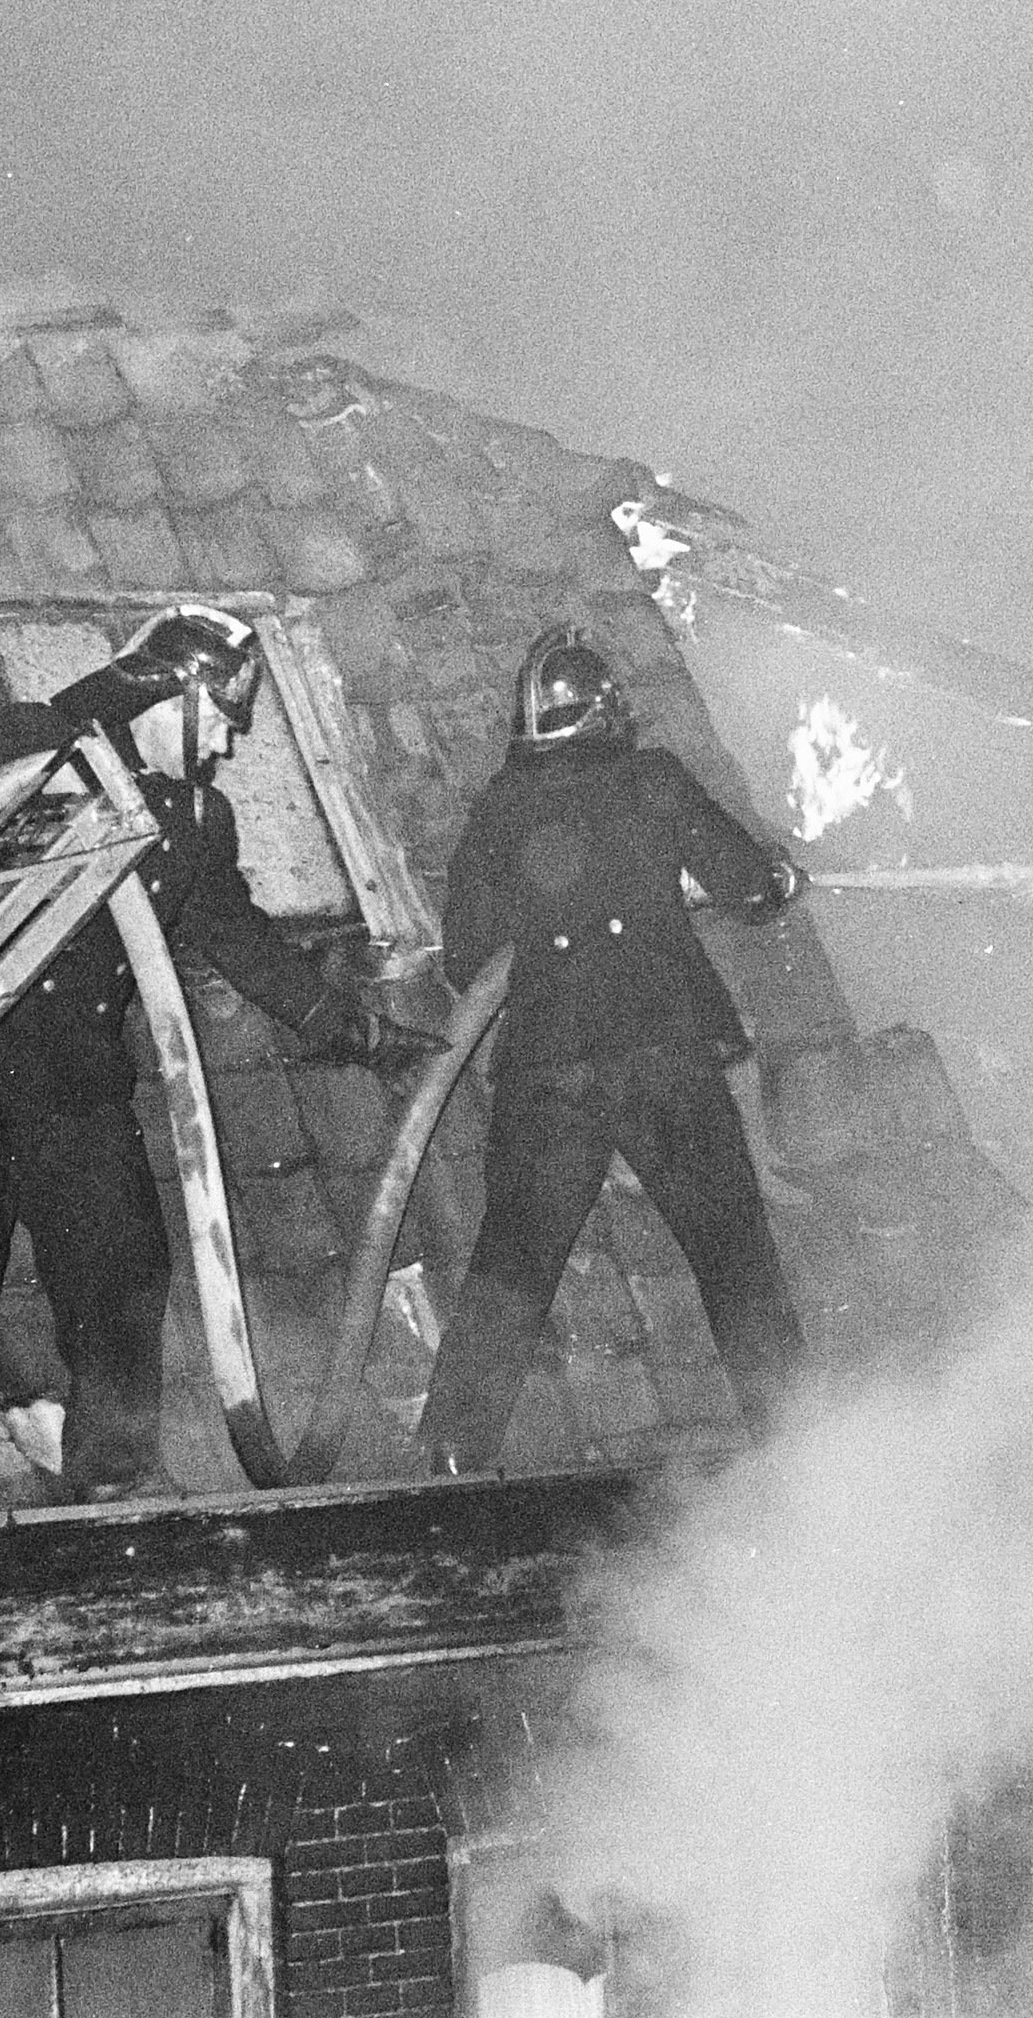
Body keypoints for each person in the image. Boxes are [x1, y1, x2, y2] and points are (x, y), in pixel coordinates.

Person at [0, 605, 422, 1517]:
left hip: (75, 1081)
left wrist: (359, 1033)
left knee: (124, 1268)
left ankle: (114, 1476)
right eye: (215, 723)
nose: (224, 751)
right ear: (161, 698)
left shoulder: (196, 819)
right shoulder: (39, 747)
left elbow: (239, 940)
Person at [413, 624, 811, 1469]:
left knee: (513, 1262)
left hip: (546, 1072)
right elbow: (747, 882)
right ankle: (795, 1449)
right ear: (605, 713)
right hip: (661, 1057)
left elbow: (464, 958)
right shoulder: (652, 780)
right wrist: (775, 876)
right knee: (733, 1253)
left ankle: (450, 1454)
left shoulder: (499, 805)